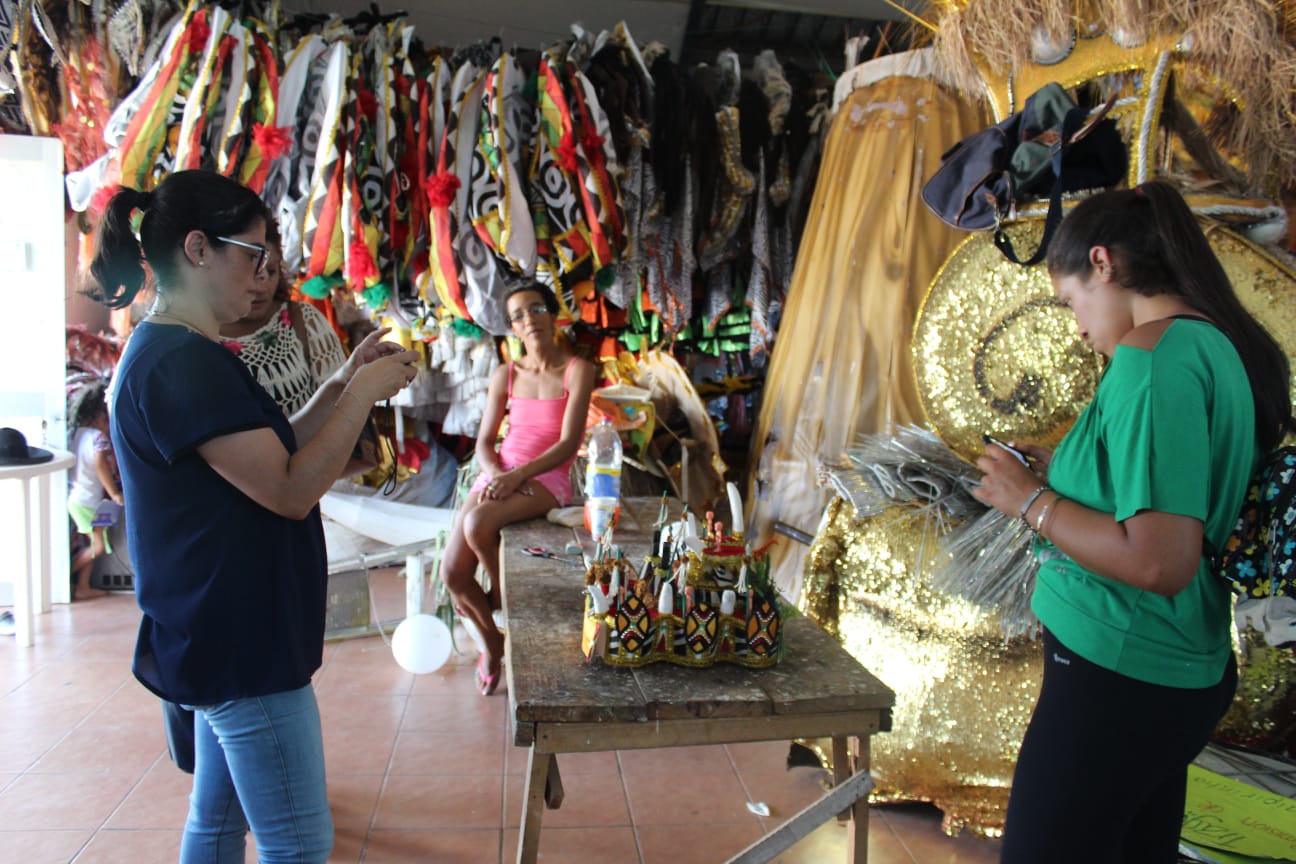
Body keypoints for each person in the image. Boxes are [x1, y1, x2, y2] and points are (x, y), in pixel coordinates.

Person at [89, 169, 419, 863]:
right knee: (297, 843)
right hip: (236, 637)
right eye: (254, 254)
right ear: (199, 248)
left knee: (217, 825)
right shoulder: (180, 363)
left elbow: (268, 450)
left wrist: (339, 380)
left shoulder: (179, 351)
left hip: (218, 627)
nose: (265, 275)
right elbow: (290, 488)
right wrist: (361, 395)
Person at [973, 182, 1293, 863]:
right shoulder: (1208, 346)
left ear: (1103, 263)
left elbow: (1158, 561)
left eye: (1071, 301)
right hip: (1162, 669)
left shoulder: (1150, 361)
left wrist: (1030, 501)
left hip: (1120, 669)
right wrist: (1065, 464)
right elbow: (1168, 489)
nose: (1078, 327)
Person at [441, 283, 595, 696]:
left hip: (546, 476)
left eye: (537, 308)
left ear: (554, 313)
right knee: (452, 574)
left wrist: (518, 476)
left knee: (477, 525)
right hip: (500, 472)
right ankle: (493, 642)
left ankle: (501, 600)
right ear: (511, 327)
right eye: (519, 315)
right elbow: (485, 442)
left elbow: (567, 445)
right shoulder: (506, 373)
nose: (530, 319)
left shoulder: (578, 369)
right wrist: (495, 474)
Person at [217, 218, 347, 415]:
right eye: (252, 273)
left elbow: (341, 409)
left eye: (271, 272)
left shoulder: (303, 321)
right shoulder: (197, 336)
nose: (262, 286)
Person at [65, 379, 120, 599]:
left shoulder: (78, 434)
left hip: (79, 499)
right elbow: (100, 465)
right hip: (90, 503)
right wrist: (115, 493)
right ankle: (62, 577)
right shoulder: (98, 438)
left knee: (92, 543)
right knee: (98, 546)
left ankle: (83, 587)